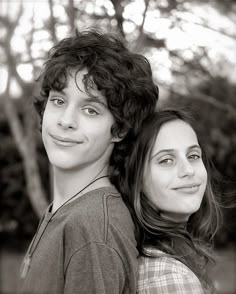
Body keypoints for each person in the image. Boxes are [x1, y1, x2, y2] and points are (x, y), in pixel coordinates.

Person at [18, 29, 159, 294]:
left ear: (119, 130)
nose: (66, 120)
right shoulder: (68, 210)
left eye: (90, 109)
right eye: (58, 100)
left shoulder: (92, 229)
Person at [120, 109, 222, 294]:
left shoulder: (173, 259)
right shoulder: (170, 278)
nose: (188, 170)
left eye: (193, 156)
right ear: (137, 181)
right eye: (166, 160)